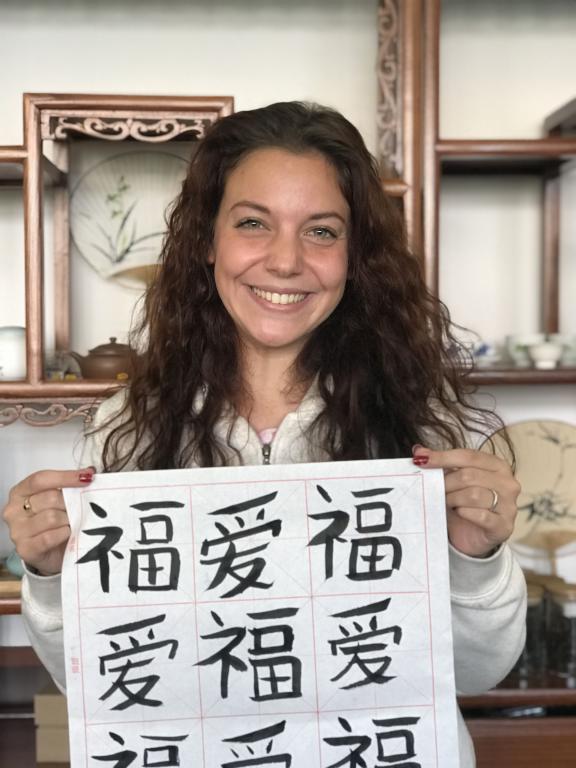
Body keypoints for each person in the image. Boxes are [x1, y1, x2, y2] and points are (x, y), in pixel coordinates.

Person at [3, 101, 525, 767]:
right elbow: (99, 678)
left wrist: (476, 560)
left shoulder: (424, 420)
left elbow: (479, 672)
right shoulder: (127, 425)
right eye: (253, 223)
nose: (285, 261)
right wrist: (50, 575)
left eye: (322, 231)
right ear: (208, 240)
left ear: (355, 255)